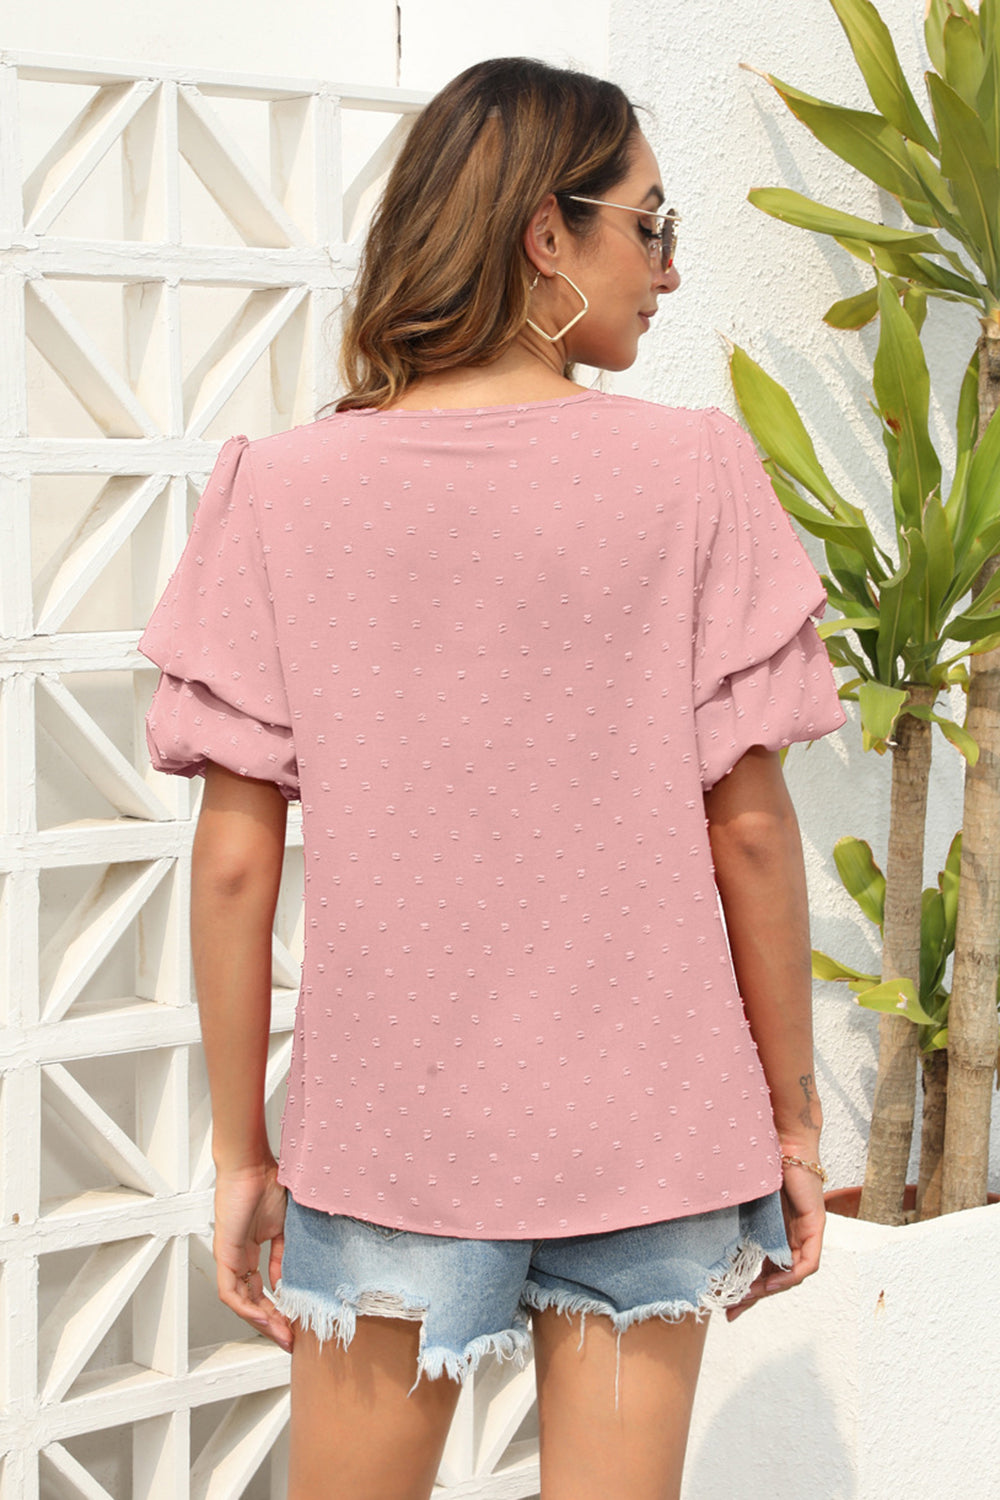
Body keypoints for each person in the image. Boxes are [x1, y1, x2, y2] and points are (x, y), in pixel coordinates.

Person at [140, 57, 845, 1500]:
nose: (669, 266)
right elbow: (753, 835)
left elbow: (233, 860)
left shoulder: (281, 491)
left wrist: (240, 1153)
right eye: (649, 225)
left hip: (391, 1136)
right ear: (545, 235)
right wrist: (791, 1119)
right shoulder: (695, 474)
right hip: (653, 1129)